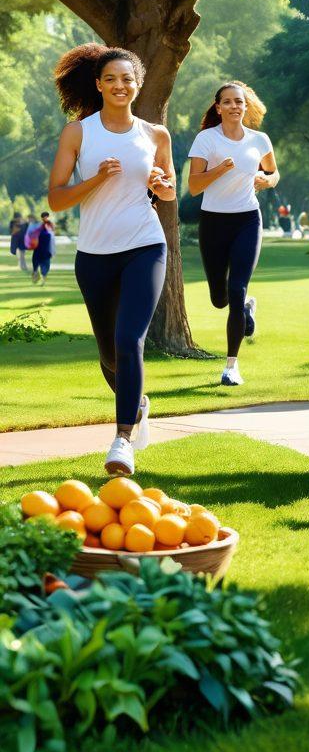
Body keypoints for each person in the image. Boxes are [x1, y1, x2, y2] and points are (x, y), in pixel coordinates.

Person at [47, 43, 175, 476]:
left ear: (137, 86)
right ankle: (136, 402)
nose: (120, 85)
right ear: (99, 85)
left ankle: (121, 441)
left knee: (129, 339)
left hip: (145, 245)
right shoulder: (78, 133)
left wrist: (161, 185)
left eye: (127, 79)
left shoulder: (156, 134)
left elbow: (170, 191)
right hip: (95, 254)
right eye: (111, 79)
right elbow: (56, 197)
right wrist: (97, 179)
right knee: (110, 356)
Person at [188, 81, 279, 386]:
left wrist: (266, 181)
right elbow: (194, 186)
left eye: (239, 102)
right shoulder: (206, 140)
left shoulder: (259, 139)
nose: (234, 107)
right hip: (214, 223)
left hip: (247, 220)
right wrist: (221, 169)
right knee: (219, 298)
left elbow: (273, 173)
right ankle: (246, 309)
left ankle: (231, 367)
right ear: (218, 107)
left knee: (236, 287)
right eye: (227, 102)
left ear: (245, 106)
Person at [29, 212, 56, 284]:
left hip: (41, 250)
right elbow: (52, 240)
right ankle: (40, 277)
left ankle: (39, 276)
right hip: (43, 250)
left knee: (40, 263)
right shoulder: (47, 226)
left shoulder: (41, 226)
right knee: (43, 264)